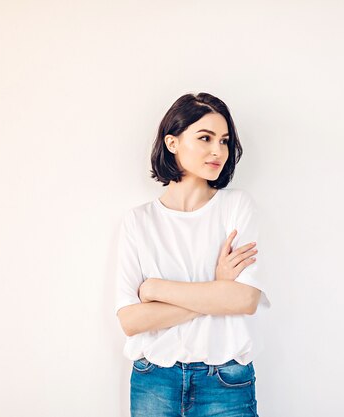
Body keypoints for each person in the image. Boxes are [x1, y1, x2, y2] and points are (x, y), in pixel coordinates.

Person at [114, 92, 271, 416]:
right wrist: (216, 289)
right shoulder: (139, 220)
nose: (218, 151)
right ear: (172, 142)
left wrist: (155, 289)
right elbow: (131, 321)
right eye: (205, 138)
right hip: (153, 380)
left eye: (225, 140)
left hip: (226, 381)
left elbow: (244, 301)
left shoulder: (236, 207)